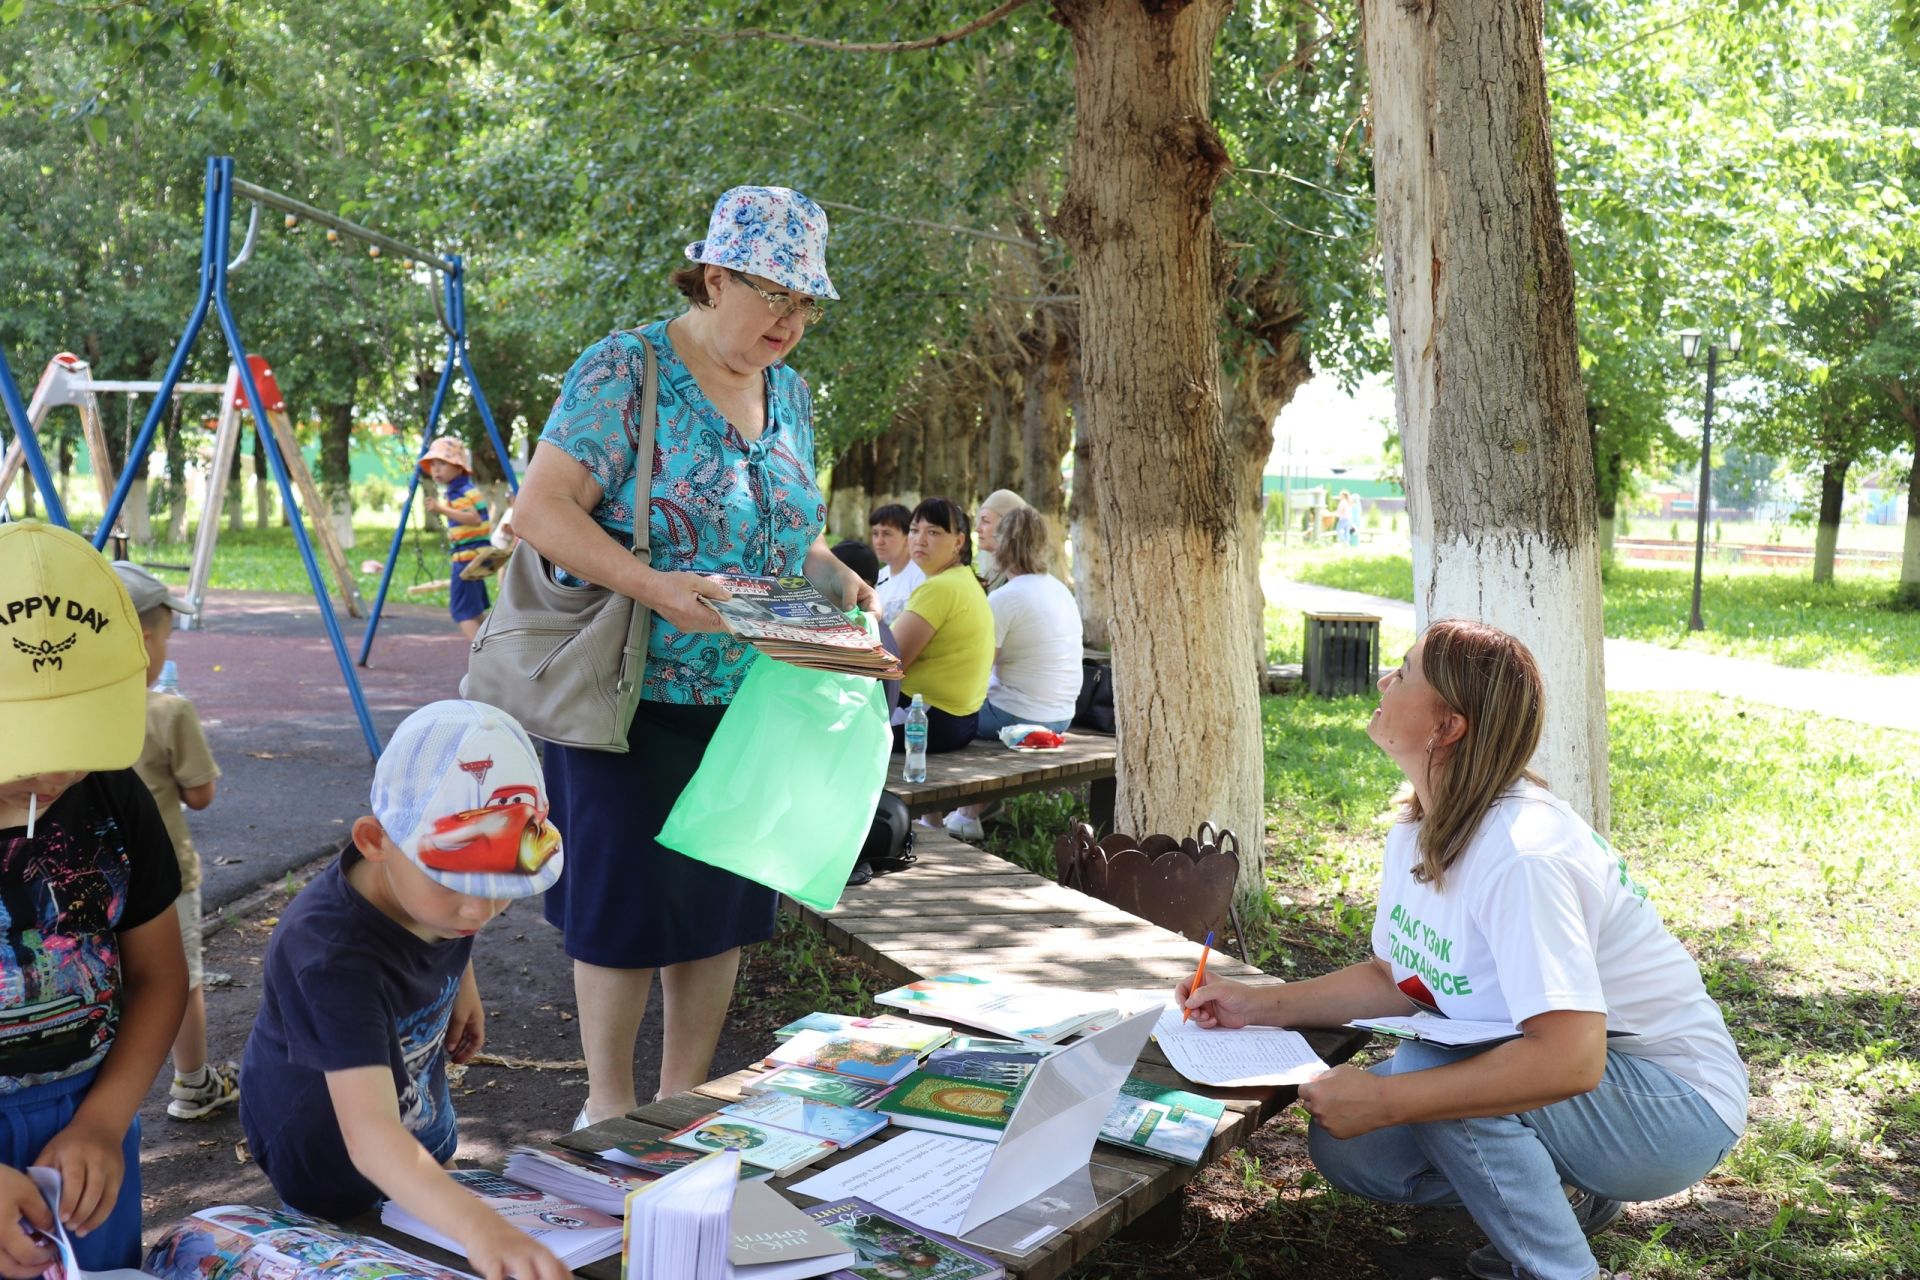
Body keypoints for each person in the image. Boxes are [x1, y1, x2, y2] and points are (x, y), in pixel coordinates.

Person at [1179, 620, 1746, 1280]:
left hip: (1675, 1108)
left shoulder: (1522, 855)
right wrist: (1258, 1006)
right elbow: (1400, 978)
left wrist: (1391, 1100)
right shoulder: (1425, 823)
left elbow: (1571, 1060)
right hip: (1600, 1093)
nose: (1385, 680)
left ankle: (1556, 1270)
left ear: (1447, 726)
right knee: (1353, 1151)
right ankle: (1568, 1193)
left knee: (1430, 1074)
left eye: (1405, 670)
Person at [510, 185, 873, 1125]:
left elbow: (786, 532)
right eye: (775, 297)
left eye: (807, 304)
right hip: (631, 691)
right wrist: (660, 585)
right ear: (715, 278)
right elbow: (539, 510)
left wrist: (836, 579)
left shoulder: (788, 391)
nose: (793, 321)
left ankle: (683, 1101)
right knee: (625, 911)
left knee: (719, 905)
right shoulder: (624, 369)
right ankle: (607, 1107)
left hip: (753, 697)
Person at [239, 700, 568, 1280]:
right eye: (457, 883)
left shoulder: (432, 898)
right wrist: (481, 1228)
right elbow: (369, 1136)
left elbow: (451, 922)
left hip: (413, 1118)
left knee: (425, 1220)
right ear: (374, 840)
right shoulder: (330, 957)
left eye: (501, 886)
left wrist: (462, 983)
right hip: (328, 1154)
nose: (480, 911)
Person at [0, 520, 188, 1273]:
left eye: (75, 744)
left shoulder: (114, 794)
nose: (51, 779)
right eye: (21, 746)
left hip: (86, 1125)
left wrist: (105, 1121)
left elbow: (159, 974)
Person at [113, 562, 235, 1121]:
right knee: (176, 975)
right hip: (165, 878)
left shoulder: (67, 720)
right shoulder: (168, 710)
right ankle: (192, 1083)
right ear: (143, 640)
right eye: (165, 635)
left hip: (92, 878)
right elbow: (201, 794)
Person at [944, 506, 1083, 841]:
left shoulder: (1006, 597)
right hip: (1062, 715)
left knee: (942, 711)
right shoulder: (1059, 589)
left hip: (1021, 715)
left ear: (1004, 544)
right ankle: (976, 808)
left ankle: (947, 817)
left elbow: (977, 668)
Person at [892, 497, 994, 754]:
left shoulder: (941, 588)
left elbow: (889, 661)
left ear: (958, 541)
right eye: (914, 530)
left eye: (934, 532)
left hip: (927, 721)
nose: (920, 540)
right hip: (958, 721)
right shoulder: (962, 579)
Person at [420, 437, 492, 641]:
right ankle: (498, 642)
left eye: (442, 464)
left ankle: (486, 656)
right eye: (433, 465)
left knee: (462, 612)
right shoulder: (465, 488)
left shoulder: (458, 492)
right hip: (477, 555)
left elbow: (474, 519)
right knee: (476, 611)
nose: (436, 470)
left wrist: (441, 509)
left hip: (467, 559)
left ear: (459, 467)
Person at [869, 503, 923, 626]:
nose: (879, 541)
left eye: (887, 534)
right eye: (875, 533)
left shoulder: (921, 575)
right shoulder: (879, 577)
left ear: (907, 537)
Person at [974, 489, 1031, 593]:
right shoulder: (994, 572)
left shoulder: (1016, 575)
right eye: (979, 520)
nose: (977, 529)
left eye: (985, 521)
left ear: (1007, 526)